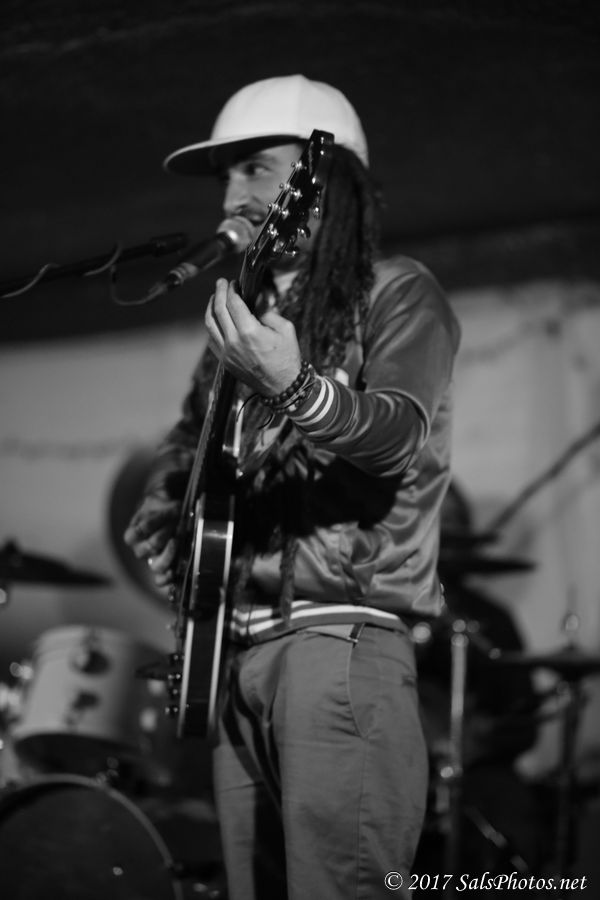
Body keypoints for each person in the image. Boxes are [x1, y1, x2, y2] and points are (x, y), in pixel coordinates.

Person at [125, 74, 461, 900]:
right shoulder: (246, 316)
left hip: (335, 643)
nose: (231, 195)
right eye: (226, 176)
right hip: (230, 651)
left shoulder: (399, 290)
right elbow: (186, 439)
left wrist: (297, 387)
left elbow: (397, 434)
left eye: (255, 168)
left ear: (323, 183)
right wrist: (162, 505)